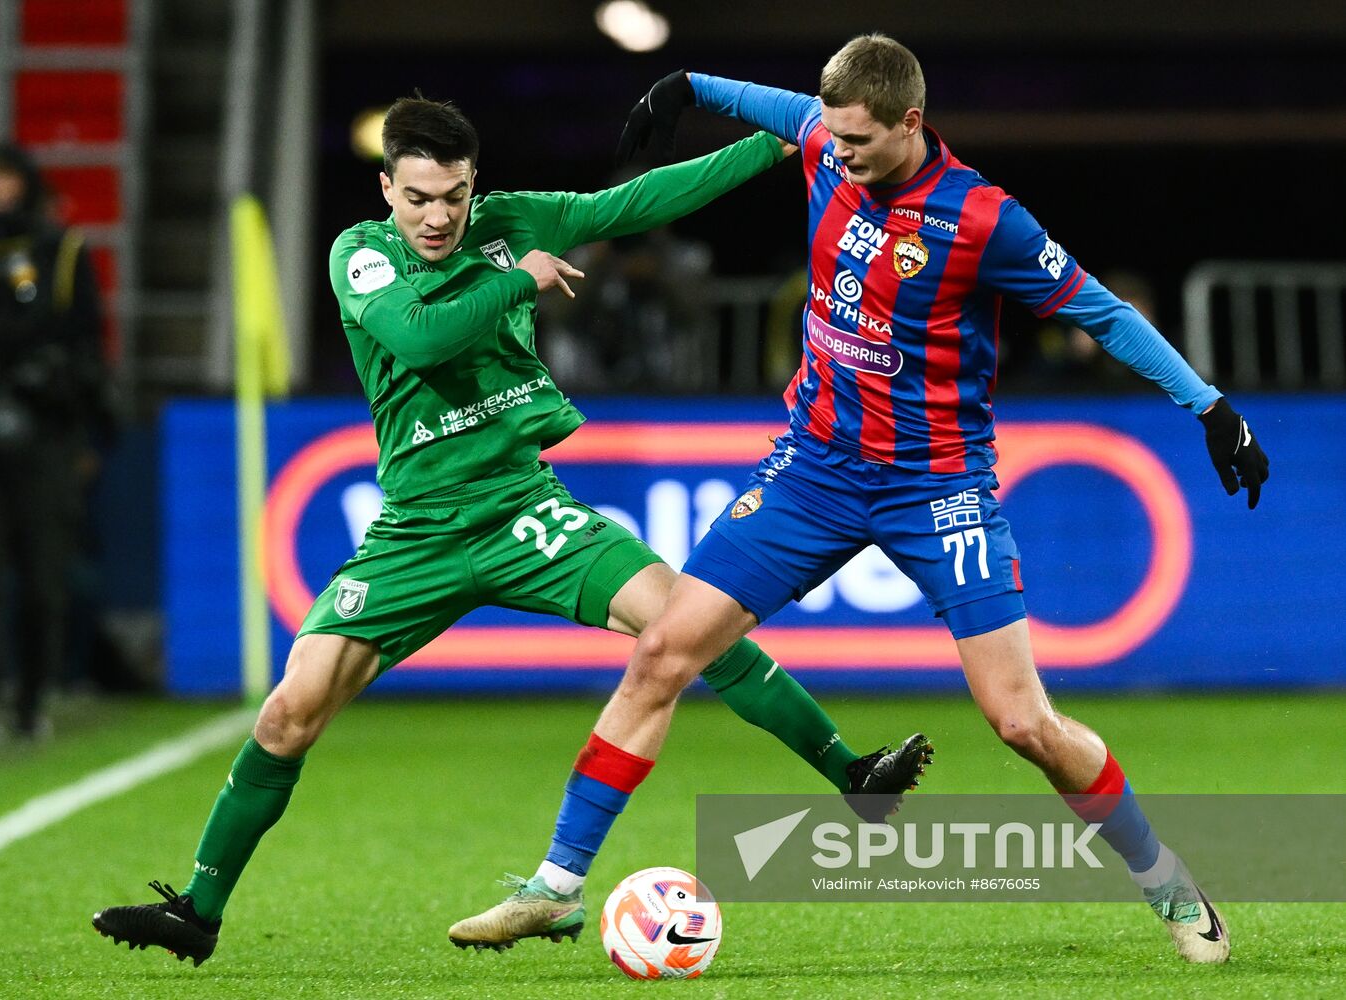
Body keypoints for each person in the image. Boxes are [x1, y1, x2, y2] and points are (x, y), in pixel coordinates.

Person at [467, 36, 1270, 965]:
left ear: (910, 124)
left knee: (1021, 723)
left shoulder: (981, 219)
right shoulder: (821, 135)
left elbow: (1101, 312)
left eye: (855, 140)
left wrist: (1208, 407)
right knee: (661, 652)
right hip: (812, 472)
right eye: (830, 134)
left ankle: (1165, 881)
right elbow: (778, 107)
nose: (833, 152)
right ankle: (554, 886)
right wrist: (686, 84)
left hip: (938, 486)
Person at [90, 94, 933, 967]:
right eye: (416, 196)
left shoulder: (514, 220)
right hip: (416, 531)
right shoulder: (361, 255)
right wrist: (518, 279)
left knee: (688, 626)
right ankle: (199, 908)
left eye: (451, 196)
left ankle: (851, 774)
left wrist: (782, 138)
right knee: (290, 712)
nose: (435, 216)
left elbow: (643, 202)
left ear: (472, 185)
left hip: (524, 507)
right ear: (386, 188)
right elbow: (419, 340)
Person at [0, 144, 110, 741]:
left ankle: (32, 695)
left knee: (44, 572)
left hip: (48, 431)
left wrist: (87, 431)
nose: (0, 191)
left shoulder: (64, 252)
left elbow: (87, 344)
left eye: (9, 179)